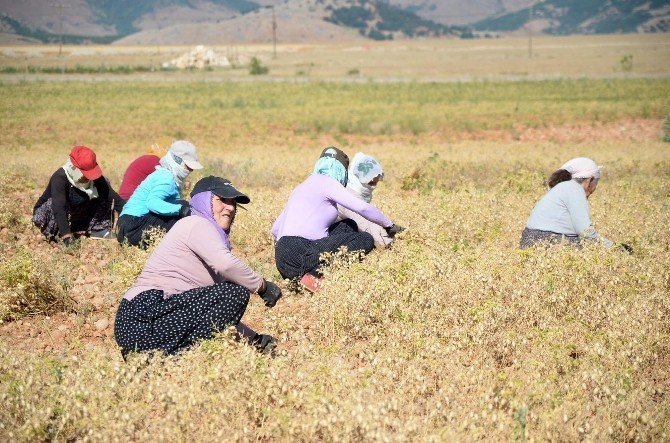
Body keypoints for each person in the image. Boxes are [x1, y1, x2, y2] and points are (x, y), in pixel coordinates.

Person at [114, 176, 282, 357]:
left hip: (144, 321)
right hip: (144, 314)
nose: (231, 207)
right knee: (234, 293)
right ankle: (163, 358)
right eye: (222, 200)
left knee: (229, 294)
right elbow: (225, 265)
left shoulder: (205, 236)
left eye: (233, 203)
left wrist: (254, 339)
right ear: (203, 200)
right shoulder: (196, 224)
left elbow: (209, 315)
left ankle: (154, 360)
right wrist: (262, 286)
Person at [272, 147, 404, 292]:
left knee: (348, 225)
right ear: (341, 169)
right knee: (364, 239)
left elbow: (275, 229)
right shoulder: (327, 182)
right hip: (302, 251)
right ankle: (313, 276)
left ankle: (300, 276)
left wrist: (287, 256)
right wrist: (389, 225)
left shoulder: (301, 187)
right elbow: (363, 208)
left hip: (283, 257)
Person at [117, 140, 203, 248]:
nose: (190, 171)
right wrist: (180, 210)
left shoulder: (163, 174)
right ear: (177, 161)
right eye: (189, 167)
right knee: (183, 208)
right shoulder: (166, 178)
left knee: (181, 207)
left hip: (125, 227)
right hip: (132, 226)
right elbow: (152, 203)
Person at [33, 145, 124, 245]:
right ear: (73, 168)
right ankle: (57, 233)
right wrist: (67, 237)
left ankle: (98, 229)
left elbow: (114, 198)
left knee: (104, 187)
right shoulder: (60, 178)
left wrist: (130, 214)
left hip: (73, 216)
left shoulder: (94, 179)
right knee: (54, 203)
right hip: (51, 216)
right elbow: (59, 208)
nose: (88, 178)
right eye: (85, 174)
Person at [520, 157, 617, 249]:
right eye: (596, 183)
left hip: (528, 240)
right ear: (590, 180)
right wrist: (614, 247)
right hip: (550, 241)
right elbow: (586, 233)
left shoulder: (561, 188)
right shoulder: (575, 189)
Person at [337, 152, 393, 249]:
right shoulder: (347, 196)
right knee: (366, 239)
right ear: (357, 179)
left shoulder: (354, 191)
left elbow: (373, 217)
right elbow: (367, 225)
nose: (373, 187)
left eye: (375, 183)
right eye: (370, 183)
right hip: (328, 235)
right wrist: (392, 243)